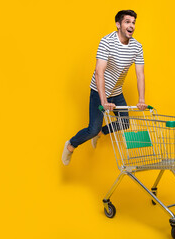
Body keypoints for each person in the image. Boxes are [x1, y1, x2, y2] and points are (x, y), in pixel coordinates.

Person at [62, 10, 147, 166]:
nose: (131, 26)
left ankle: (102, 132)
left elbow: (140, 74)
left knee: (125, 122)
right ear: (118, 24)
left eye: (133, 22)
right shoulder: (107, 41)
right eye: (127, 22)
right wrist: (104, 101)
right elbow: (99, 71)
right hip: (98, 92)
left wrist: (142, 99)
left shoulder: (137, 47)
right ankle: (71, 145)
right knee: (92, 129)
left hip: (117, 92)